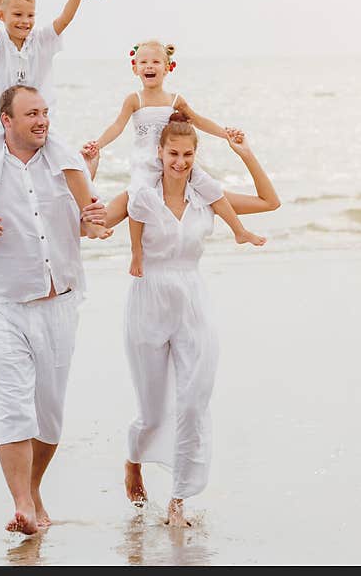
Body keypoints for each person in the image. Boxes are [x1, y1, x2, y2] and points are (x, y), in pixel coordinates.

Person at [0, 85, 110, 535]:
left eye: (46, 112)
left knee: (49, 415)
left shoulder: (66, 166)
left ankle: (32, 490)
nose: (42, 121)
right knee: (14, 408)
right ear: (6, 120)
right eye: (32, 113)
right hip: (2, 305)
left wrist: (94, 223)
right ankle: (21, 506)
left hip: (60, 303)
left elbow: (90, 225)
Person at [107, 112, 280, 527]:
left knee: (193, 401)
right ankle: (134, 460)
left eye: (187, 154)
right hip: (148, 301)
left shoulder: (208, 197)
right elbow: (88, 222)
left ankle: (179, 498)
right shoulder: (138, 194)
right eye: (172, 154)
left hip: (192, 303)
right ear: (159, 153)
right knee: (151, 410)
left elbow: (269, 201)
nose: (179, 162)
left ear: (195, 155)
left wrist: (245, 153)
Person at [80, 40, 265, 276]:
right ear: (135, 68)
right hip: (147, 162)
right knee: (137, 198)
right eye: (144, 62)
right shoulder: (134, 99)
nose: (150, 66)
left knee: (211, 188)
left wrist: (225, 134)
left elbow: (198, 120)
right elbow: (117, 126)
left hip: (175, 160)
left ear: (168, 68)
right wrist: (98, 144)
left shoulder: (175, 99)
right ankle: (137, 252)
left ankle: (239, 231)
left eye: (156, 62)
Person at [0, 0, 111, 244]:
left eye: (30, 16)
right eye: (17, 15)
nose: (25, 22)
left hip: (40, 121)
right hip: (3, 122)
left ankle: (89, 219)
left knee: (71, 163)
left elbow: (63, 21)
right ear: (5, 16)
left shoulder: (41, 40)